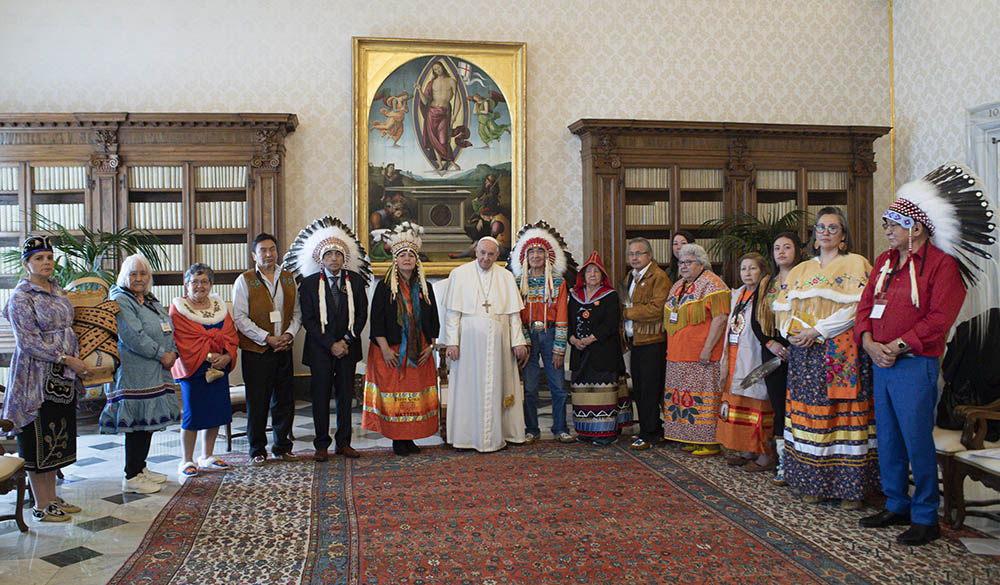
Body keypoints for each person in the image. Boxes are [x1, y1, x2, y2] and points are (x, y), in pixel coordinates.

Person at [857, 163, 995, 546]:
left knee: (916, 438)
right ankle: (896, 503)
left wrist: (896, 347)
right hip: (880, 363)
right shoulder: (885, 263)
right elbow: (864, 307)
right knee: (887, 437)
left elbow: (939, 319)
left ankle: (925, 516)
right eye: (887, 224)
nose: (887, 230)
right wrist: (869, 342)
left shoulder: (942, 265)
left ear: (915, 228)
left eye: (893, 224)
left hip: (914, 364)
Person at [774, 207, 877, 510]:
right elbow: (783, 310)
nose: (826, 232)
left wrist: (817, 330)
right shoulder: (800, 270)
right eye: (821, 227)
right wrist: (791, 333)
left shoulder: (856, 264)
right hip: (805, 355)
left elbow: (855, 309)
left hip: (840, 350)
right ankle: (811, 483)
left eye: (833, 228)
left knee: (843, 416)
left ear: (843, 235)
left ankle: (850, 490)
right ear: (814, 235)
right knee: (808, 416)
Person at [1, 236, 90, 521]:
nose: (46, 263)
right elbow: (28, 342)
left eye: (49, 258)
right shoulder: (21, 297)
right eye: (39, 258)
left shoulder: (58, 290)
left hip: (62, 376)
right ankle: (41, 505)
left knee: (57, 435)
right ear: (27, 264)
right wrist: (66, 359)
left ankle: (52, 498)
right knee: (38, 436)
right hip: (35, 376)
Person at [290, 217, 370, 461]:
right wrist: (330, 344)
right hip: (320, 350)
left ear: (343, 257)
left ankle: (344, 443)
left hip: (347, 349)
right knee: (320, 398)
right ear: (321, 259)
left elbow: (361, 315)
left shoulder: (354, 281)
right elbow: (309, 319)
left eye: (338, 254)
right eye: (329, 255)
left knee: (346, 397)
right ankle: (321, 445)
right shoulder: (309, 283)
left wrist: (345, 341)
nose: (333, 258)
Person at [101, 254, 181, 494]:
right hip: (134, 372)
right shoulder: (120, 299)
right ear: (124, 276)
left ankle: (141, 467)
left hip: (155, 370)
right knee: (136, 422)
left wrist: (173, 352)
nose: (138, 278)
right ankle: (131, 474)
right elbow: (133, 336)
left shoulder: (147, 299)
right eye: (133, 274)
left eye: (143, 273)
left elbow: (166, 326)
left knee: (146, 423)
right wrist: (161, 354)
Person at [442, 236, 528, 452]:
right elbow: (452, 313)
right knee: (469, 388)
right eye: (482, 253)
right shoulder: (459, 275)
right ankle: (467, 437)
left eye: (491, 254)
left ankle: (499, 435)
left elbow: (513, 316)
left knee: (500, 386)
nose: (486, 258)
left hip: (499, 344)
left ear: (497, 256)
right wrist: (452, 342)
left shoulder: (506, 277)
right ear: (476, 252)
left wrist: (519, 342)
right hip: (468, 345)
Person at [362, 223, 440, 456]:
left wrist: (432, 346)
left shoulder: (425, 287)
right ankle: (397, 439)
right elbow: (376, 321)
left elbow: (434, 319)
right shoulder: (385, 287)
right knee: (395, 395)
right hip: (391, 350)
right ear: (395, 260)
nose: (407, 259)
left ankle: (409, 438)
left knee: (414, 395)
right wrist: (385, 349)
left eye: (411, 255)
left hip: (419, 350)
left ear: (417, 260)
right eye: (402, 255)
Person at [232, 233, 301, 467]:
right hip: (257, 351)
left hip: (284, 347)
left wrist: (289, 335)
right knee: (258, 401)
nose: (268, 254)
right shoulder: (245, 280)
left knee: (284, 400)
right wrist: (266, 338)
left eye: (272, 249)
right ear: (254, 255)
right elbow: (240, 318)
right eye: (263, 250)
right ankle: (257, 449)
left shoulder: (289, 278)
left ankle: (282, 446)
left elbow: (297, 313)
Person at [170, 263, 239, 479]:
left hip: (219, 368)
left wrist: (227, 356)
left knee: (216, 413)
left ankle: (207, 456)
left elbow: (230, 335)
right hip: (194, 368)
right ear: (186, 284)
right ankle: (187, 460)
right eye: (195, 282)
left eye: (204, 282)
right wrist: (208, 356)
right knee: (192, 415)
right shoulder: (179, 309)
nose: (200, 286)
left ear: (211, 285)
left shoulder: (220, 307)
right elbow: (183, 340)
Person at [510, 220, 576, 444]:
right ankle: (531, 429)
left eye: (540, 251)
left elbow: (562, 315)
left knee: (557, 385)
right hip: (528, 336)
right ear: (525, 257)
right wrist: (523, 340)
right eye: (532, 252)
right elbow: (515, 315)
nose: (536, 255)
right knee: (529, 387)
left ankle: (560, 428)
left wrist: (559, 348)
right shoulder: (517, 282)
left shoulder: (557, 282)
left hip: (550, 335)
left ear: (547, 255)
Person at [662, 243, 730, 457]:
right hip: (678, 355)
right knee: (683, 398)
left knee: (702, 397)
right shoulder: (678, 285)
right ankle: (690, 437)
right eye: (681, 262)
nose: (683, 266)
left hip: (702, 356)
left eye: (688, 262)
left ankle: (709, 442)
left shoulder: (713, 284)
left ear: (701, 264)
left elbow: (720, 318)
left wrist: (707, 348)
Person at [716, 253, 774, 470]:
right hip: (733, 354)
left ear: (762, 271)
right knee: (737, 403)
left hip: (755, 356)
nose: (747, 273)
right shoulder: (738, 294)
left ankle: (764, 453)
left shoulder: (767, 294)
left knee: (755, 403)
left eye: (752, 268)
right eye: (743, 269)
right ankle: (746, 448)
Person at [568, 252, 630, 445]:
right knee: (582, 393)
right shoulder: (574, 296)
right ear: (583, 275)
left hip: (603, 352)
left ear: (603, 276)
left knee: (604, 393)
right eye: (589, 271)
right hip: (579, 352)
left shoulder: (610, 296)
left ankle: (605, 434)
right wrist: (572, 339)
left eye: (596, 271)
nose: (592, 274)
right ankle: (585, 431)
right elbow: (568, 322)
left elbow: (611, 324)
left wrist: (590, 339)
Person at [754, 232, 799, 484]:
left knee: (801, 408)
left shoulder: (806, 278)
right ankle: (783, 462)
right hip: (772, 351)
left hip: (800, 349)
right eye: (777, 248)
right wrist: (769, 343)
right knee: (779, 408)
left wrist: (795, 343)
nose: (781, 252)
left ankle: (802, 461)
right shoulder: (766, 283)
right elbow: (755, 321)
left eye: (787, 247)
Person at [622, 237, 671, 451]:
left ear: (649, 255)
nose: (634, 257)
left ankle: (652, 433)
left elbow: (657, 309)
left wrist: (626, 313)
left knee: (650, 389)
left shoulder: (658, 277)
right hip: (636, 341)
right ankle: (645, 430)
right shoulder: (630, 277)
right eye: (631, 254)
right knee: (640, 389)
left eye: (639, 253)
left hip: (652, 341)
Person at [413, 59, 471, 171]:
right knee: (433, 139)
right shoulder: (432, 83)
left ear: (443, 67)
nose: (437, 70)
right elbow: (425, 102)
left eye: (438, 68)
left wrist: (454, 116)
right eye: (435, 69)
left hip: (444, 114)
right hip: (431, 112)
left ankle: (451, 162)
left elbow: (458, 100)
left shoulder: (452, 81)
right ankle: (440, 164)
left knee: (443, 140)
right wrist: (420, 90)